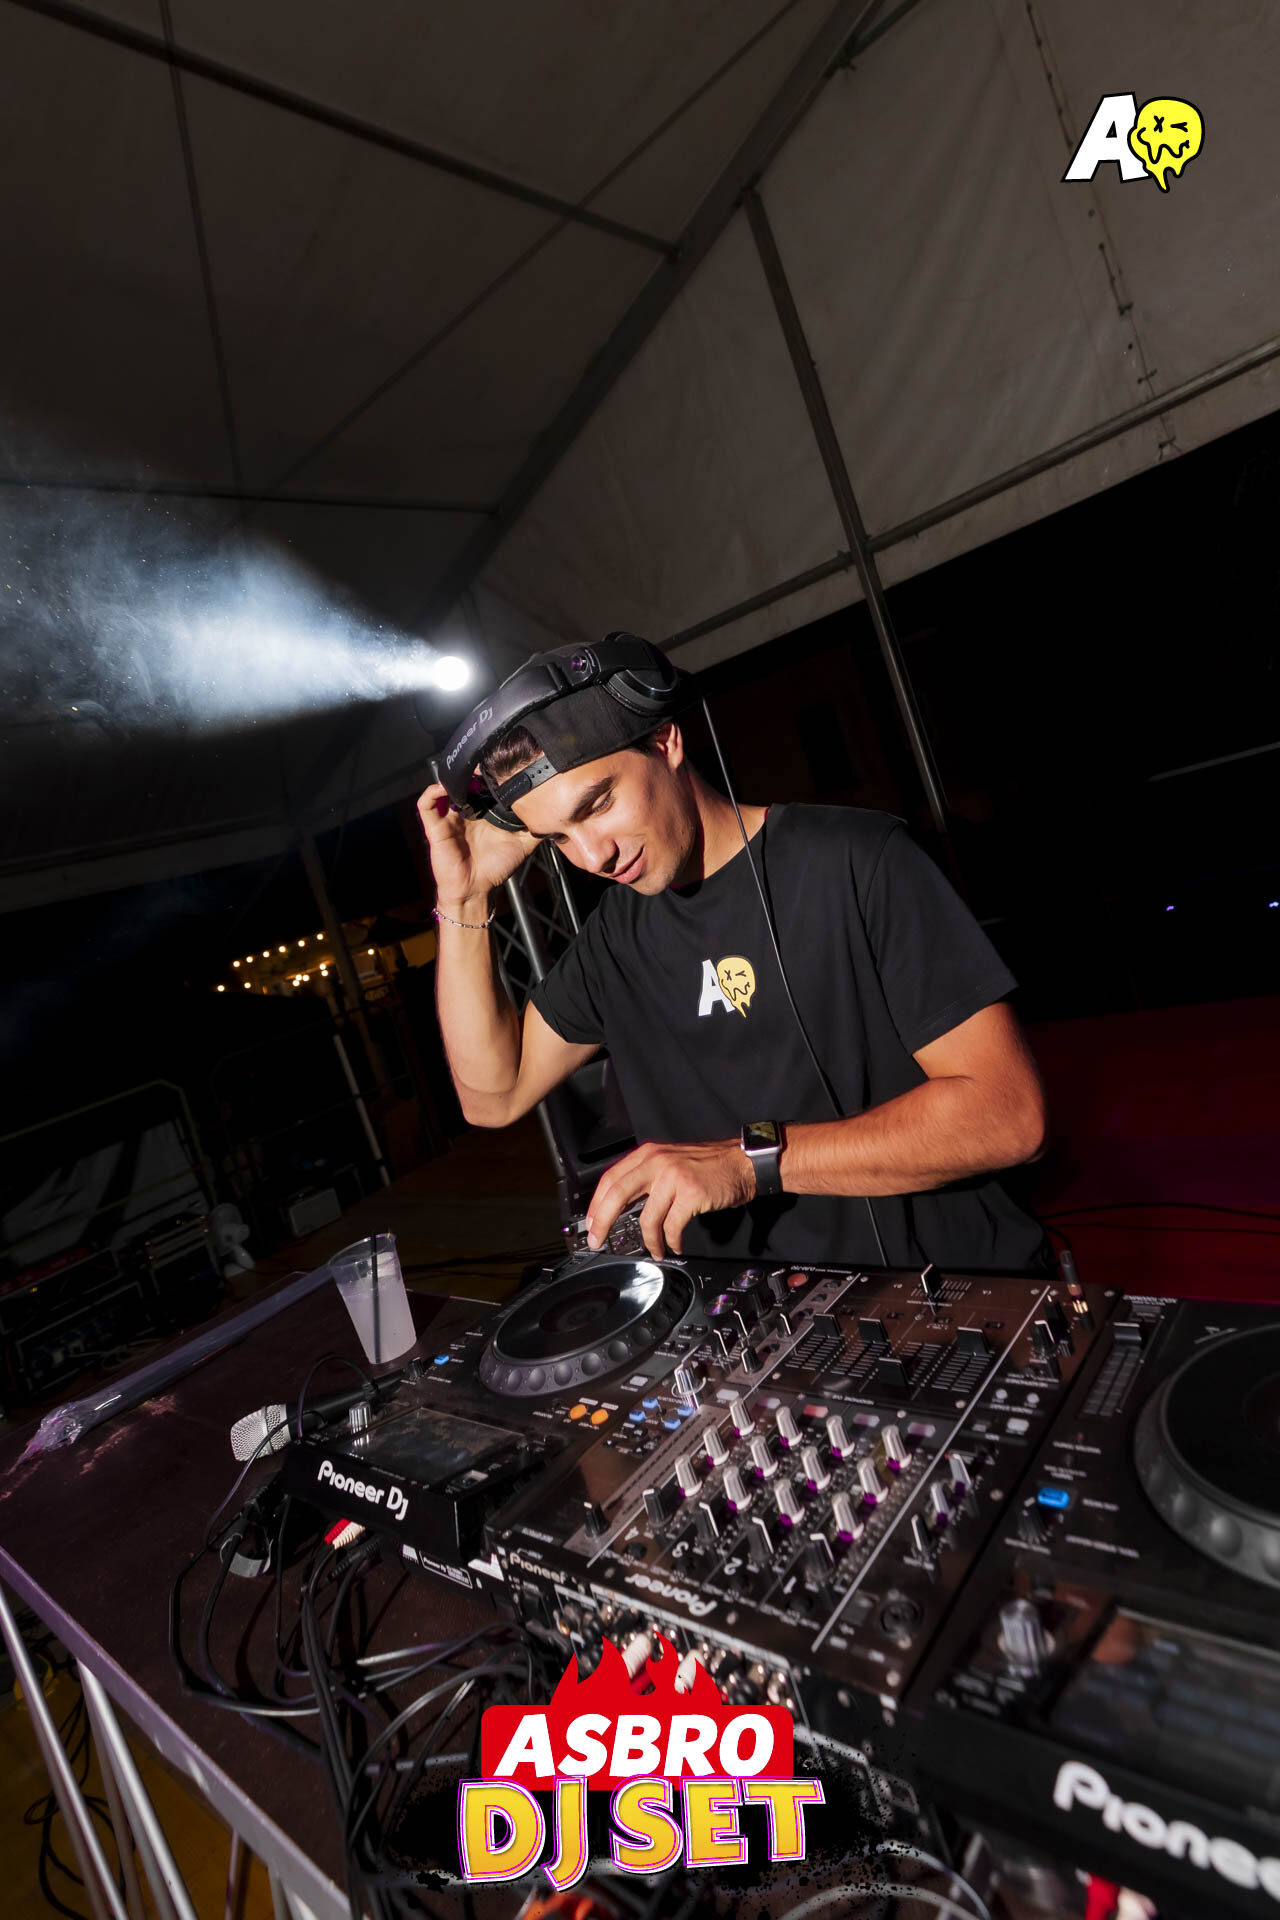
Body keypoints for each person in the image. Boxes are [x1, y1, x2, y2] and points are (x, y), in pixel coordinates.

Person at [418, 644, 1049, 1274]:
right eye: (558, 838)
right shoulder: (614, 938)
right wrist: (464, 896)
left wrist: (751, 1162)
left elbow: (1009, 1117)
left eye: (598, 804)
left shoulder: (858, 859)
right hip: (749, 1310)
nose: (592, 857)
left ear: (665, 741)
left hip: (944, 1285)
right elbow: (492, 1097)